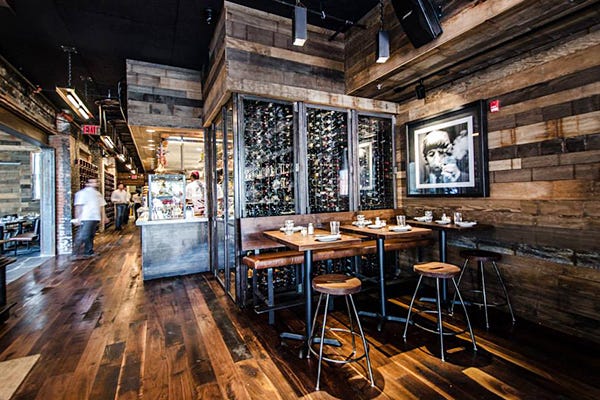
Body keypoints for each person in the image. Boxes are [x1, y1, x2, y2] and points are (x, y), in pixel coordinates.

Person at [73, 178, 107, 258]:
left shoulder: (98, 194)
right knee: (83, 235)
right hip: (86, 217)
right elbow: (78, 206)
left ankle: (88, 251)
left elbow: (101, 206)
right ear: (87, 184)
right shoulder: (82, 193)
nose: (94, 183)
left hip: (95, 217)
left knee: (91, 235)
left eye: (95, 182)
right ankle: (75, 252)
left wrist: (104, 217)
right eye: (92, 182)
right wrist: (77, 218)